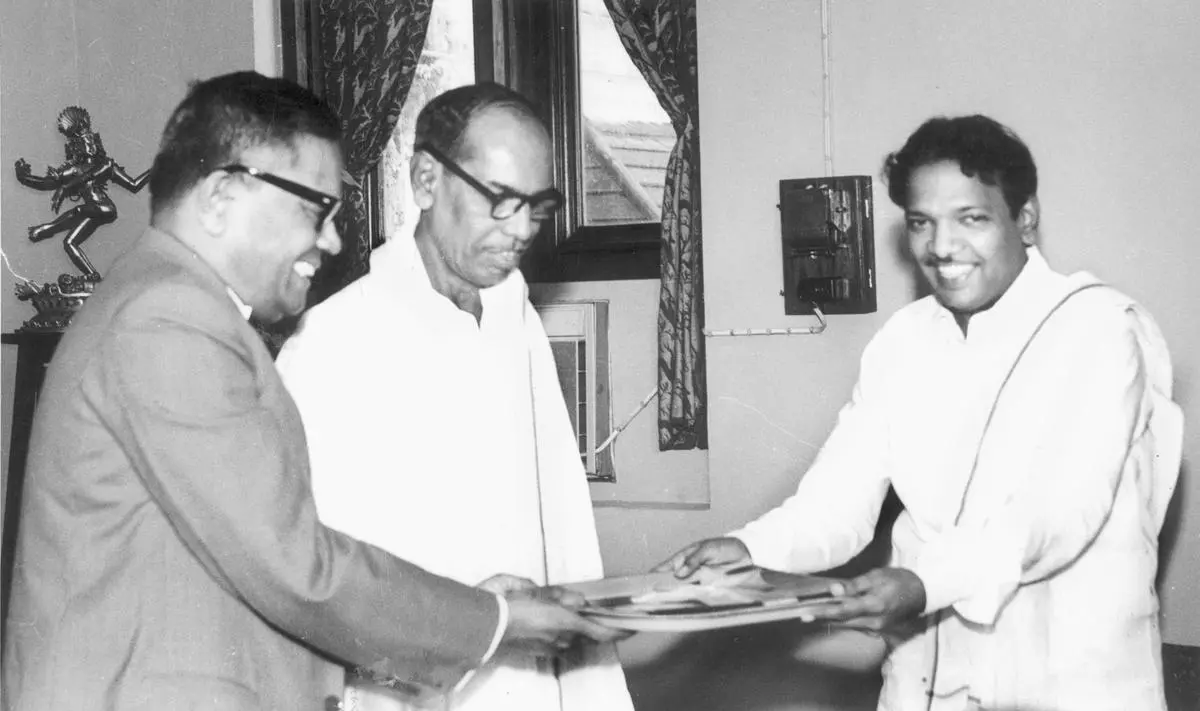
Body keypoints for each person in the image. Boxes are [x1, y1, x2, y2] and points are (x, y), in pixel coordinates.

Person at [1, 71, 624, 711]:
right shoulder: (166, 319)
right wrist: (496, 621)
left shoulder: (173, 305)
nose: (331, 240)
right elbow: (296, 569)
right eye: (315, 209)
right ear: (221, 197)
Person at [658, 115, 1182, 711]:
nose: (941, 247)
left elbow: (1059, 509)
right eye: (921, 223)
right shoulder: (904, 340)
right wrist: (752, 548)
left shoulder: (1100, 327)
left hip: (1070, 675)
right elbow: (839, 498)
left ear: (1026, 219)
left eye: (972, 219)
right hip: (930, 675)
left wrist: (926, 583)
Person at [274, 83, 634, 711]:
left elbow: (564, 524)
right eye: (499, 201)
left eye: (538, 206)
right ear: (424, 181)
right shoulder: (330, 344)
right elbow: (319, 582)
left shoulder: (512, 316)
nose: (521, 229)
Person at [14, 105, 149, 280]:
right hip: (93, 211)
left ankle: (47, 229)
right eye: (84, 142)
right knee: (69, 243)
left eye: (91, 140)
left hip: (104, 208)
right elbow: (46, 183)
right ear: (76, 147)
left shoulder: (106, 165)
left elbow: (134, 184)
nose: (89, 145)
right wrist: (24, 178)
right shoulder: (74, 169)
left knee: (78, 210)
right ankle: (92, 276)